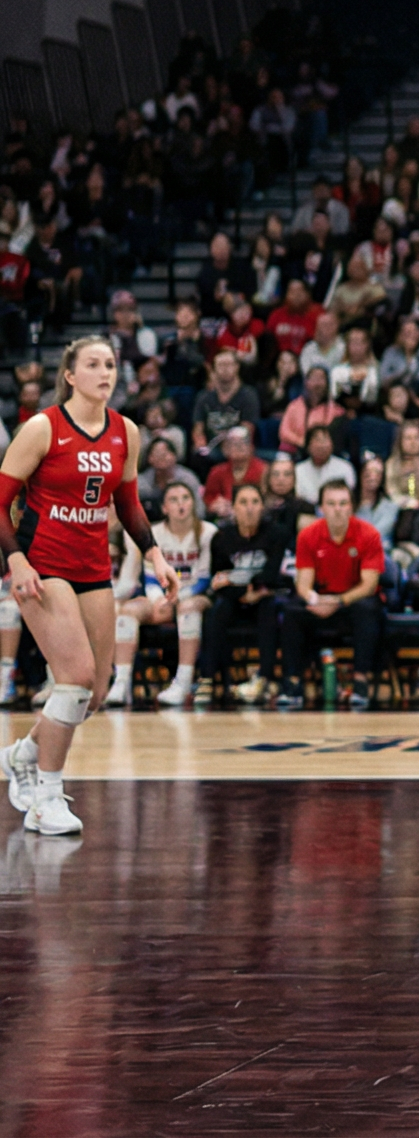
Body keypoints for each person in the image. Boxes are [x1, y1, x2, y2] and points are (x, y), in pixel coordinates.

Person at [0, 337, 176, 835]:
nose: (105, 373)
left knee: (95, 691)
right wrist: (16, 561)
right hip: (42, 563)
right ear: (71, 376)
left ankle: (22, 754)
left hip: (92, 566)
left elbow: (128, 503)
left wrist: (155, 554)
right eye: (93, 364)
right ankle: (45, 797)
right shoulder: (44, 427)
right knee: (74, 677)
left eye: (111, 364)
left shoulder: (125, 431)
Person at [284, 480, 386, 710]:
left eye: (343, 503)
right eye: (331, 504)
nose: (337, 509)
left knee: (368, 609)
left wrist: (338, 601)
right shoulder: (308, 535)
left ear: (351, 507)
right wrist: (315, 600)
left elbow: (369, 585)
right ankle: (293, 683)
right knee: (292, 612)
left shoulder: (369, 534)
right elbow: (303, 584)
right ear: (321, 508)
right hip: (321, 599)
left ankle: (360, 681)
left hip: (353, 600)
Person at [125, 482, 214, 708]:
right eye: (173, 500)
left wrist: (177, 598)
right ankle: (121, 684)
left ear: (193, 503)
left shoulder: (208, 532)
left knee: (188, 608)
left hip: (195, 595)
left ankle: (183, 682)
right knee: (128, 610)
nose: (180, 504)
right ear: (164, 508)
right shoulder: (154, 533)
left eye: (185, 498)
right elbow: (150, 577)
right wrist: (158, 600)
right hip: (162, 597)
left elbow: (204, 578)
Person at [195, 483, 283, 706]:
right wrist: (244, 592)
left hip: (264, 598)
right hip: (235, 598)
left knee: (269, 608)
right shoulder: (221, 538)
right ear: (233, 507)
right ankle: (207, 678)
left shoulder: (276, 534)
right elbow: (218, 581)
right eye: (243, 502)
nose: (249, 508)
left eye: (255, 502)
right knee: (217, 610)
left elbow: (272, 575)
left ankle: (265, 678)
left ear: (262, 507)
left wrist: (242, 582)